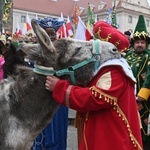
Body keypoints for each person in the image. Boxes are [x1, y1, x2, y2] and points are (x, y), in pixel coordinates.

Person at [45, 21, 143, 150]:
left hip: (110, 136)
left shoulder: (115, 71)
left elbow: (96, 97)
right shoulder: (105, 67)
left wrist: (60, 88)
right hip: (104, 129)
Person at [31, 17, 69, 150]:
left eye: (52, 33)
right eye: (46, 33)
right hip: (38, 103)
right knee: (38, 137)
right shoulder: (33, 54)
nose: (50, 37)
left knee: (58, 137)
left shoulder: (64, 56)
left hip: (58, 103)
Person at [125, 15, 150, 150]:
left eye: (142, 42)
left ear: (146, 44)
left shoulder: (149, 56)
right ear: (133, 43)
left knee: (144, 131)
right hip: (127, 100)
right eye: (137, 42)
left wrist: (141, 96)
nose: (140, 44)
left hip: (144, 102)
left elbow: (149, 78)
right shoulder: (127, 56)